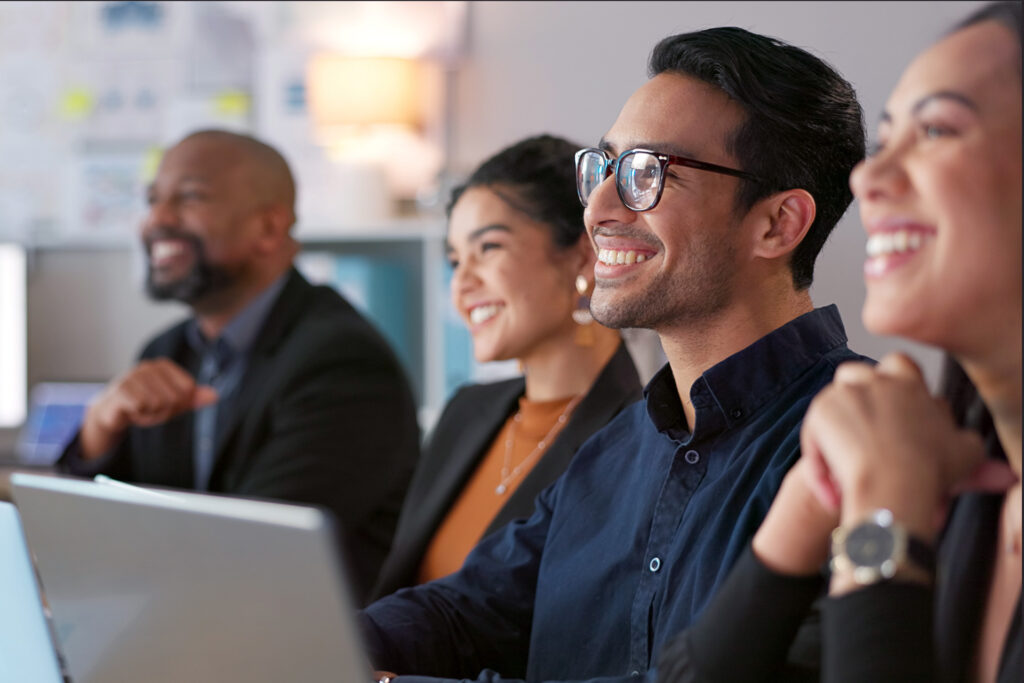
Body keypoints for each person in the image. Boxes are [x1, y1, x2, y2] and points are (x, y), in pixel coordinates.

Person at [360, 26, 868, 682]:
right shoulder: (616, 448)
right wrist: (317, 644)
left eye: (647, 174)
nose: (598, 208)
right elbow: (469, 610)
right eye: (603, 168)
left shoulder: (861, 443)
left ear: (778, 224)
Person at [656, 3, 1022, 682]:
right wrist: (809, 502)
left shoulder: (906, 475)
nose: (866, 179)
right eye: (885, 144)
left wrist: (882, 509)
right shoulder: (949, 462)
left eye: (937, 129)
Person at [57, 129, 420, 603]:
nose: (157, 219)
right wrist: (98, 431)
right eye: (153, 200)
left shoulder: (343, 363)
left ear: (268, 228)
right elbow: (85, 537)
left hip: (294, 634)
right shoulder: (165, 352)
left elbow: (256, 550)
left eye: (190, 197)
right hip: (185, 617)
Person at [370, 135, 642, 601]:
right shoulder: (465, 412)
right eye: (455, 260)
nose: (462, 284)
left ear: (584, 256)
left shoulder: (639, 438)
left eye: (489, 248)